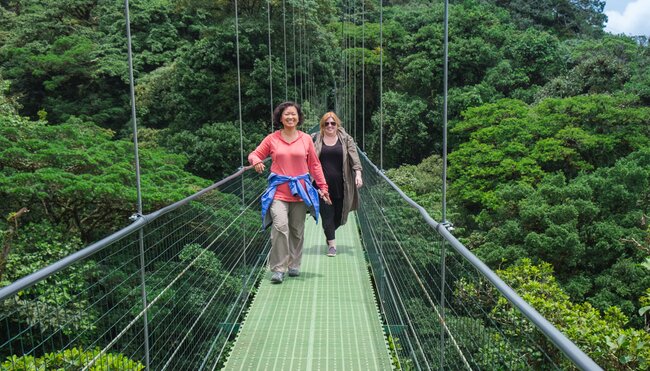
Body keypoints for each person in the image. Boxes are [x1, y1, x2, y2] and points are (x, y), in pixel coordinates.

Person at [249, 101, 331, 284]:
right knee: (280, 226)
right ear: (280, 117)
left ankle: (294, 264)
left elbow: (314, 166)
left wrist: (323, 188)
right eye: (286, 114)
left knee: (297, 230)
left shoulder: (305, 139)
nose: (290, 117)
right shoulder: (272, 139)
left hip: (300, 191)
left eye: (293, 114)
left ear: (298, 117)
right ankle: (278, 268)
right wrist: (256, 162)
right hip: (279, 191)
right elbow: (255, 154)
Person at [311, 112, 363, 257]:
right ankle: (332, 246)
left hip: (342, 185)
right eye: (326, 123)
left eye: (333, 123)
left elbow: (355, 158)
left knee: (340, 216)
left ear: (337, 125)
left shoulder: (346, 139)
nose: (330, 126)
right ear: (322, 125)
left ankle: (329, 231)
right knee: (327, 215)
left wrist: (358, 174)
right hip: (321, 186)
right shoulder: (314, 138)